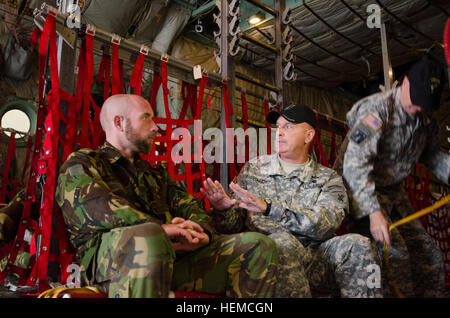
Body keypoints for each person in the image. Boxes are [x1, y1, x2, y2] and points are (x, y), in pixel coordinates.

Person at [55, 94, 278, 298]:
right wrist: (164, 231)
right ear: (119, 123)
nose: (155, 128)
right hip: (112, 264)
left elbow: (191, 208)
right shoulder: (84, 163)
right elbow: (95, 208)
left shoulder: (156, 175)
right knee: (148, 237)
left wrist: (200, 233)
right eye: (146, 118)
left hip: (169, 258)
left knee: (257, 245)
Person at [202, 104, 382, 298]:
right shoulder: (254, 169)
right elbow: (232, 225)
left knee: (360, 244)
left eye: (288, 127)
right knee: (281, 243)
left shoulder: (328, 179)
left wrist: (270, 209)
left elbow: (326, 225)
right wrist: (222, 208)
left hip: (314, 258)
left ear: (308, 136)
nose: (279, 133)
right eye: (278, 127)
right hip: (266, 256)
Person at [333, 58, 448, 297]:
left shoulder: (425, 118)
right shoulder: (376, 110)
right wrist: (373, 213)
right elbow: (354, 167)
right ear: (404, 83)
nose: (419, 109)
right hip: (358, 189)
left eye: (426, 104)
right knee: (395, 255)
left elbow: (434, 157)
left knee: (430, 256)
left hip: (393, 192)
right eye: (416, 100)